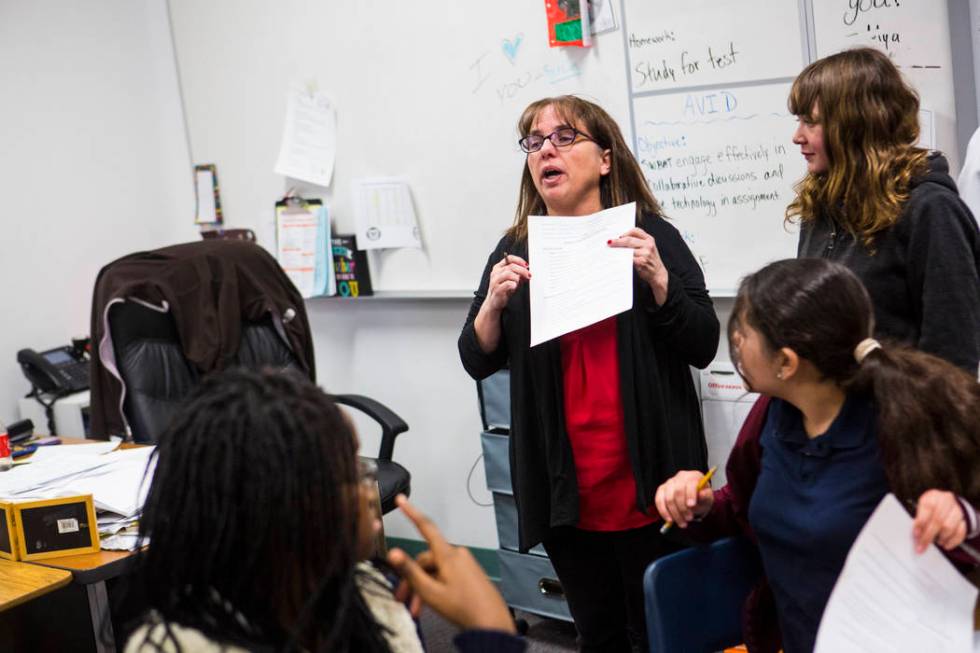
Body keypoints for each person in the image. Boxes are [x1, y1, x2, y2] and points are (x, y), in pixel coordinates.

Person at [458, 95, 719, 651]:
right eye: (534, 140)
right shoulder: (516, 249)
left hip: (651, 480)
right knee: (597, 634)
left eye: (564, 137)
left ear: (605, 159)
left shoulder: (649, 236)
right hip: (565, 489)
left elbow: (703, 343)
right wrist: (492, 308)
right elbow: (476, 358)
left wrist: (658, 280)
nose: (545, 149)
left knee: (663, 631)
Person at [654, 258, 980, 653]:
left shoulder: (900, 420)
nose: (735, 341)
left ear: (787, 362)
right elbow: (744, 507)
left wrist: (962, 515)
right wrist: (701, 505)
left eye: (745, 332)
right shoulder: (772, 415)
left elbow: (965, 530)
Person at [124, 368, 524, 653]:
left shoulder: (364, 594)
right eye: (350, 472)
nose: (370, 489)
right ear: (284, 507)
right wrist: (491, 633)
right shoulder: (178, 646)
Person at [787, 47, 980, 373]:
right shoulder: (822, 207)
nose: (797, 136)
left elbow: (952, 361)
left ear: (855, 125)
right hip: (831, 417)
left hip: (895, 418)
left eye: (811, 122)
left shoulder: (931, 210)